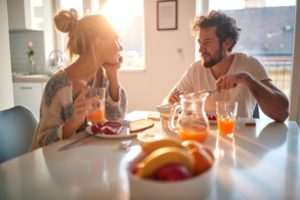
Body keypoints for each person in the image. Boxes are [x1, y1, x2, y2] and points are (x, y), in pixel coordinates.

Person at [30, 9, 127, 150]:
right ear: (100, 42)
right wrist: (75, 121)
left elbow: (116, 120)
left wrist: (112, 75)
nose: (121, 46)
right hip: (50, 165)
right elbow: (44, 142)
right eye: (116, 39)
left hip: (80, 159)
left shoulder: (100, 75)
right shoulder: (59, 84)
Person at [165, 10, 289, 122]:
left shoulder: (249, 65)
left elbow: (282, 113)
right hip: (205, 137)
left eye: (207, 42)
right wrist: (172, 101)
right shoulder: (194, 70)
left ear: (227, 42)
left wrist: (247, 80)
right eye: (200, 43)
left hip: (244, 140)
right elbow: (167, 106)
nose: (201, 50)